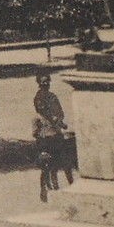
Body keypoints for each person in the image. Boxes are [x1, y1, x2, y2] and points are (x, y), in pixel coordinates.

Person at [32, 73, 76, 201]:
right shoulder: (38, 98)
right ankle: (43, 190)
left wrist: (59, 121)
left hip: (56, 135)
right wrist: (53, 120)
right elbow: (42, 112)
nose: (45, 84)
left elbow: (60, 112)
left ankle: (71, 186)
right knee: (46, 165)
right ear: (39, 83)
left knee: (66, 162)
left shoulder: (53, 96)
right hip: (45, 139)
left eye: (47, 81)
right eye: (43, 82)